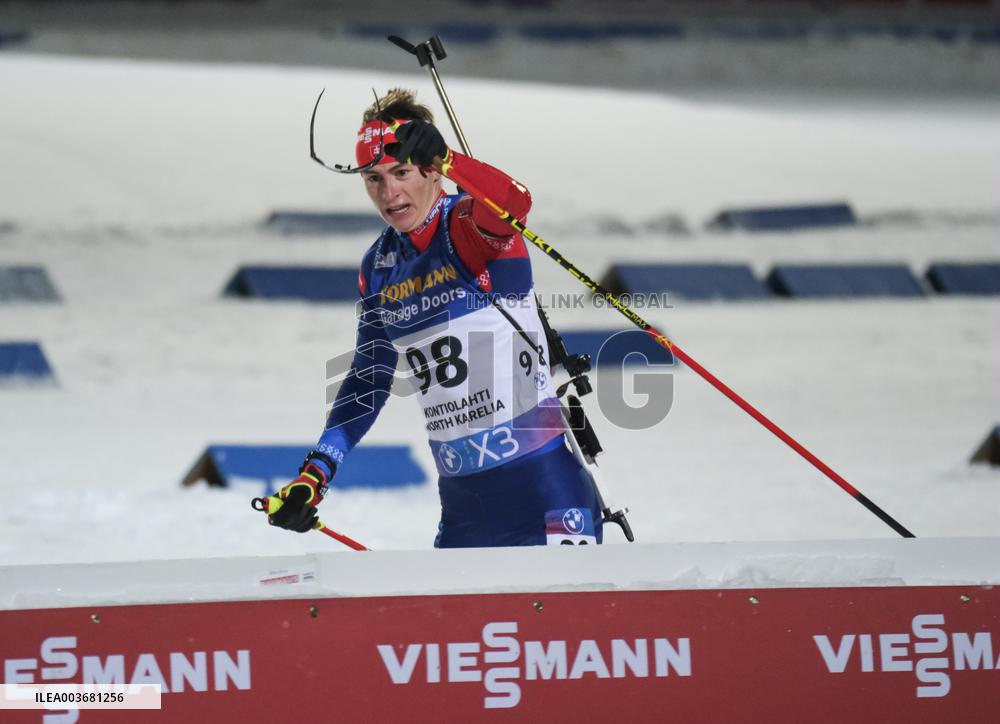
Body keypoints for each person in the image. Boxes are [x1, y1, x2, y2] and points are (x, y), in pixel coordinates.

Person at [268, 88, 602, 547]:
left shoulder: (466, 228)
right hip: (465, 511)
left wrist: (450, 158)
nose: (389, 193)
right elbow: (369, 379)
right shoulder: (378, 266)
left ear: (429, 170)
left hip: (543, 496)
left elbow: (515, 204)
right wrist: (317, 470)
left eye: (401, 172)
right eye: (373, 178)